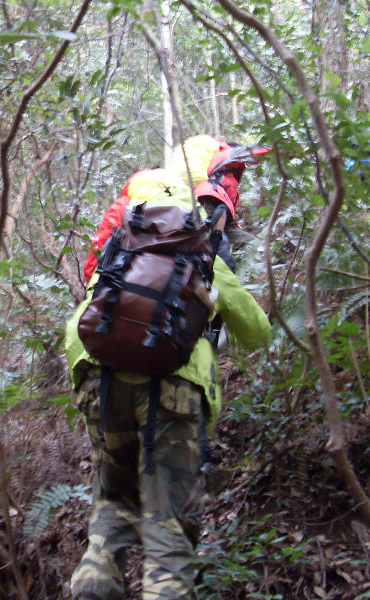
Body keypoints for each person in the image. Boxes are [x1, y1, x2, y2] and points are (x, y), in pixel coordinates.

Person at [65, 136, 270, 600]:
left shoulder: (121, 250)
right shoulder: (201, 252)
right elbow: (257, 333)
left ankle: (94, 583)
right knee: (168, 527)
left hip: (98, 378)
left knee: (113, 502)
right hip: (175, 388)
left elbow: (80, 322)